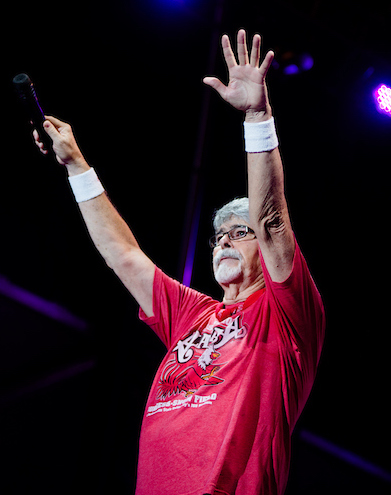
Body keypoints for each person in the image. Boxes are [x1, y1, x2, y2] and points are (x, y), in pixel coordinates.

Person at [34, 29, 325, 495]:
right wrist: (77, 168)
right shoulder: (193, 314)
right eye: (218, 236)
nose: (224, 242)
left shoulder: (286, 314)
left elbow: (270, 220)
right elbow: (124, 255)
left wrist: (256, 117)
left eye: (238, 232)